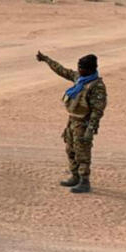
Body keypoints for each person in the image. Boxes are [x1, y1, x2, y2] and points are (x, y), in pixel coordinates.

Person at [35, 51, 108, 193]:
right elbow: (61, 70)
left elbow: (97, 110)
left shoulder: (96, 86)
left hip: (83, 123)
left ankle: (84, 181)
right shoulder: (79, 79)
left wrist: (90, 129)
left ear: (91, 69)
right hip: (72, 121)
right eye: (79, 67)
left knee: (83, 153)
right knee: (70, 150)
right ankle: (75, 176)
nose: (79, 70)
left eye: (82, 68)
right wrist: (46, 59)